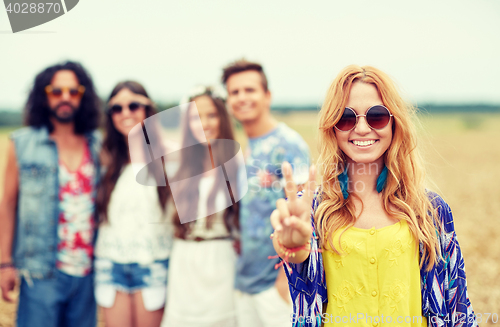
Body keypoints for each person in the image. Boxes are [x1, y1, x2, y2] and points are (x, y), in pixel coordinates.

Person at [269, 65, 478, 327]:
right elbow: (298, 262)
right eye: (346, 117)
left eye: (376, 116)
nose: (362, 128)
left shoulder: (431, 210)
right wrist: (293, 244)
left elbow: (457, 304)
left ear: (395, 123)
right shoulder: (311, 207)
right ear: (333, 127)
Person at [0, 61, 101, 327]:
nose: (65, 97)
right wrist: (4, 263)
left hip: (89, 275)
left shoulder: (98, 145)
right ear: (43, 96)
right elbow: (8, 205)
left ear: (83, 95)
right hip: (41, 274)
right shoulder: (22, 144)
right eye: (56, 91)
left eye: (73, 91)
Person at [222, 59, 311, 327]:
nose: (242, 98)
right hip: (245, 282)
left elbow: (308, 212)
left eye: (250, 90)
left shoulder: (287, 144)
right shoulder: (245, 147)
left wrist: (284, 281)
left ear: (267, 96)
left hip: (275, 288)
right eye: (234, 92)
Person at [94, 81, 173, 327]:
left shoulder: (168, 156)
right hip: (110, 262)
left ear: (148, 109)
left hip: (153, 262)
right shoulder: (104, 158)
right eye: (116, 108)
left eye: (133, 105)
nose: (125, 113)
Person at [161, 86, 240, 327]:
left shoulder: (237, 166)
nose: (204, 123)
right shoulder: (179, 166)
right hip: (184, 263)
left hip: (220, 264)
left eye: (211, 115)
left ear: (222, 118)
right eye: (195, 117)